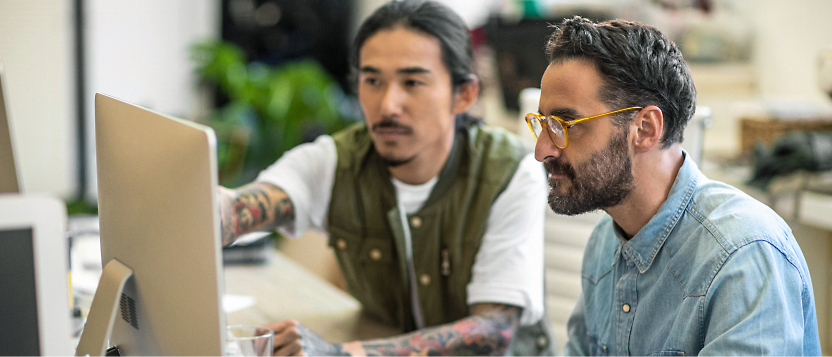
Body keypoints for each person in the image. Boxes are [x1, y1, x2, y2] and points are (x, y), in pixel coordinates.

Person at [218, 1, 557, 356]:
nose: (388, 105)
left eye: (412, 82)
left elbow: (492, 331)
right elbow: (240, 206)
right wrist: (210, 207)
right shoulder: (336, 161)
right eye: (372, 80)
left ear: (464, 94)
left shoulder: (509, 171)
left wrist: (342, 354)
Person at [526, 16, 821, 355]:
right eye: (542, 124)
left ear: (646, 129)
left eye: (565, 124)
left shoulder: (743, 255)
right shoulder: (603, 245)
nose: (542, 150)